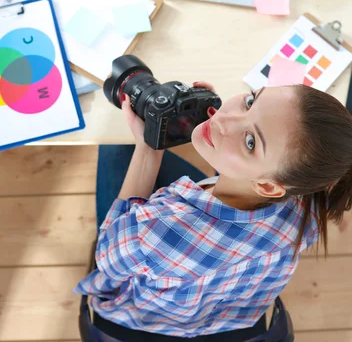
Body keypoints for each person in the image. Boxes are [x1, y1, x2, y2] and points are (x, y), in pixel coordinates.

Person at [75, 83, 352, 339]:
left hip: (141, 320)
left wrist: (148, 149)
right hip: (231, 321)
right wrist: (225, 132)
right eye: (249, 101)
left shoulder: (157, 232)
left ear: (268, 187)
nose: (222, 119)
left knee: (114, 140)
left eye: (251, 142)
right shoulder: (308, 205)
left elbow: (108, 260)